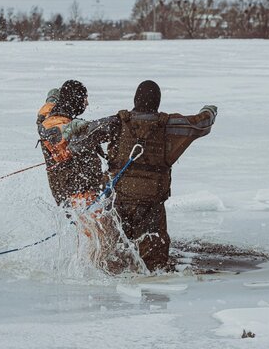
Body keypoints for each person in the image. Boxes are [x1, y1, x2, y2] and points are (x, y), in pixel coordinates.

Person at [85, 80, 217, 271]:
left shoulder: (116, 122)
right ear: (157, 102)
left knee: (113, 253)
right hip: (151, 205)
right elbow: (202, 124)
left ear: (135, 100)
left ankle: (112, 280)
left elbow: (81, 136)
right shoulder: (168, 125)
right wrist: (210, 111)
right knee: (154, 261)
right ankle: (150, 289)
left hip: (118, 201)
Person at [36, 80, 103, 207]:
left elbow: (45, 112)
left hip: (80, 190)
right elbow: (56, 134)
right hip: (78, 196)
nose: (87, 103)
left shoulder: (51, 114)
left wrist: (53, 98)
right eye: (84, 99)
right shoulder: (54, 124)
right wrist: (71, 128)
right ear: (75, 100)